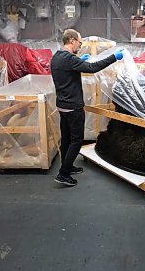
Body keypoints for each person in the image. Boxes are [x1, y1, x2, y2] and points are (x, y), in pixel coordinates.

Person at [51, 29, 124, 187]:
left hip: (62, 106)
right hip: (73, 107)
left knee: (66, 139)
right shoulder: (69, 59)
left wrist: (79, 60)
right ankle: (63, 174)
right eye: (79, 42)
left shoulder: (57, 57)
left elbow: (71, 69)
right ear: (72, 41)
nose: (80, 45)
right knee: (77, 140)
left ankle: (67, 166)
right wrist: (114, 57)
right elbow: (92, 68)